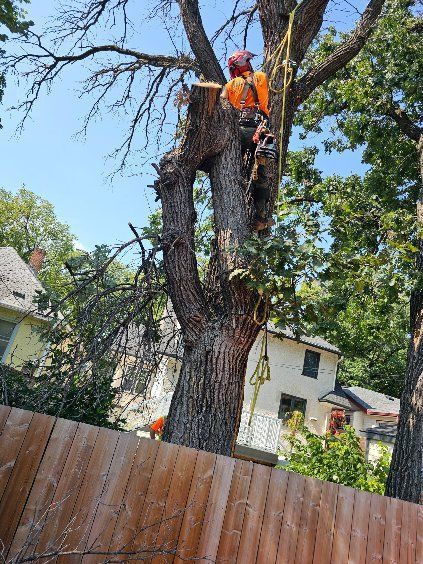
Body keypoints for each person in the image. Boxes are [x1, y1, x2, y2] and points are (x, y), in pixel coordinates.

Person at [221, 50, 276, 230]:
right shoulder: (261, 77)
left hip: (237, 131)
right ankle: (260, 217)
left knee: (234, 170)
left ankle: (235, 198)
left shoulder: (229, 86)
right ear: (247, 63)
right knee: (261, 174)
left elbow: (221, 105)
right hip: (258, 130)